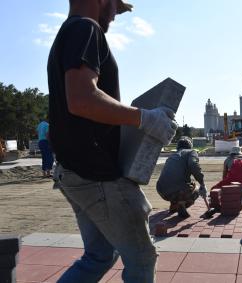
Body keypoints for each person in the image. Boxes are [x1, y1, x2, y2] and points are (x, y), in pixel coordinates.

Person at [48, 1, 177, 282]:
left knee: (99, 255)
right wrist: (145, 118)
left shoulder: (68, 32)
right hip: (97, 175)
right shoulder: (85, 28)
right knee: (142, 259)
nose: (115, 17)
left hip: (74, 170)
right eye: (114, 9)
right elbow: (82, 99)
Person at [156, 137, 207, 218]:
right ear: (190, 146)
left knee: (177, 184)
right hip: (177, 190)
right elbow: (194, 165)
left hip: (161, 190)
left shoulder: (172, 156)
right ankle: (180, 204)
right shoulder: (191, 152)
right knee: (196, 189)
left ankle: (173, 205)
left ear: (178, 147)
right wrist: (202, 184)